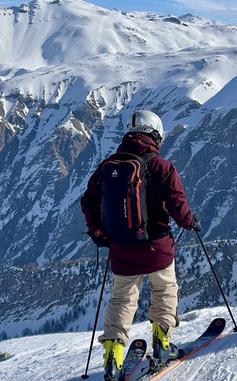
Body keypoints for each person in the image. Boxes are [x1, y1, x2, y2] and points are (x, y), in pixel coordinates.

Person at [80, 110, 201, 381]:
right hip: (157, 248)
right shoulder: (162, 166)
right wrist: (191, 222)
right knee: (165, 290)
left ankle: (113, 357)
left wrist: (98, 232)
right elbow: (179, 207)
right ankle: (162, 344)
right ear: (156, 135)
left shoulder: (108, 166)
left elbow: (87, 201)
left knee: (122, 299)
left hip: (122, 249)